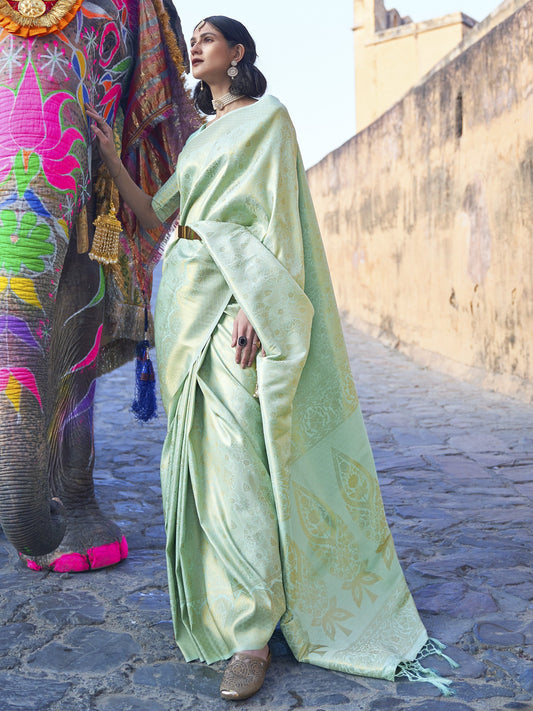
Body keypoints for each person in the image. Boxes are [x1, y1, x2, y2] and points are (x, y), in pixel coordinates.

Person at [88, 15, 455, 702]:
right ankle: (228, 609)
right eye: (192, 38)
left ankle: (253, 635)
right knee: (197, 460)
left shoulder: (269, 119)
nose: (195, 46)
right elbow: (153, 214)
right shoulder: (201, 138)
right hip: (181, 298)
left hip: (234, 300)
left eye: (209, 38)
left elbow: (280, 218)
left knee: (237, 461)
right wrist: (109, 157)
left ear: (240, 53)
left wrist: (260, 305)